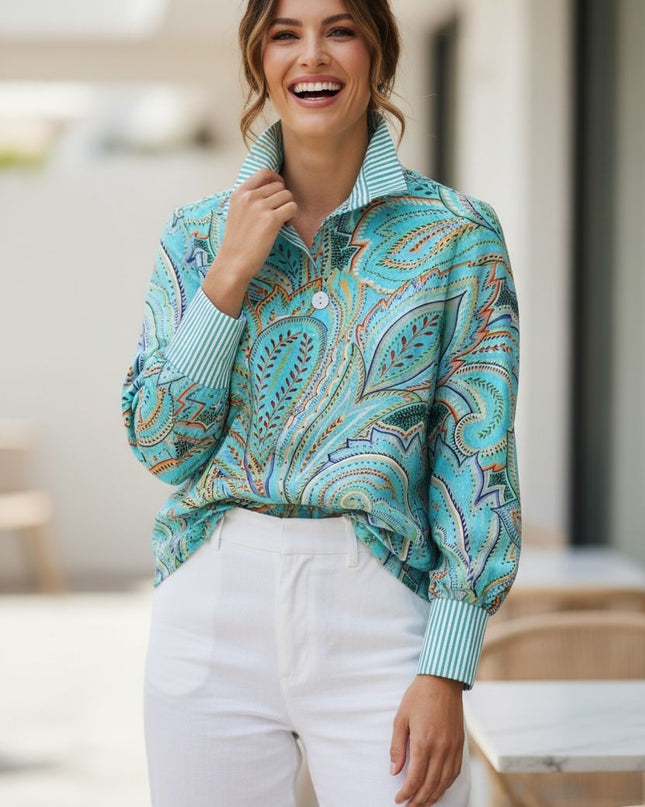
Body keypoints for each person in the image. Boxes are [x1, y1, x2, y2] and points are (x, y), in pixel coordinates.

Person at [121, 0, 521, 805]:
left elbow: (476, 459)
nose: (313, 56)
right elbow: (162, 445)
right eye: (284, 34)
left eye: (339, 29)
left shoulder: (456, 234)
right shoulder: (198, 234)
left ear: (377, 53)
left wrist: (447, 662)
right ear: (257, 61)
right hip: (213, 599)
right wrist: (228, 276)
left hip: (379, 605)